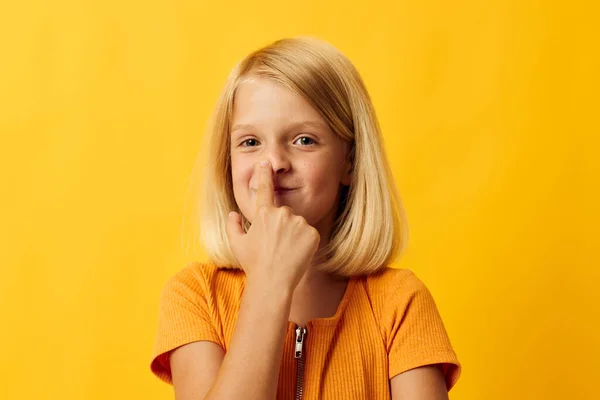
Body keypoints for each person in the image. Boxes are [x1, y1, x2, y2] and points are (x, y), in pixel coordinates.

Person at [150, 36, 461, 400]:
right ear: (228, 161)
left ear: (350, 161)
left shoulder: (400, 303)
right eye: (250, 142)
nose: (275, 162)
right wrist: (268, 283)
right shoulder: (195, 295)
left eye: (303, 140)